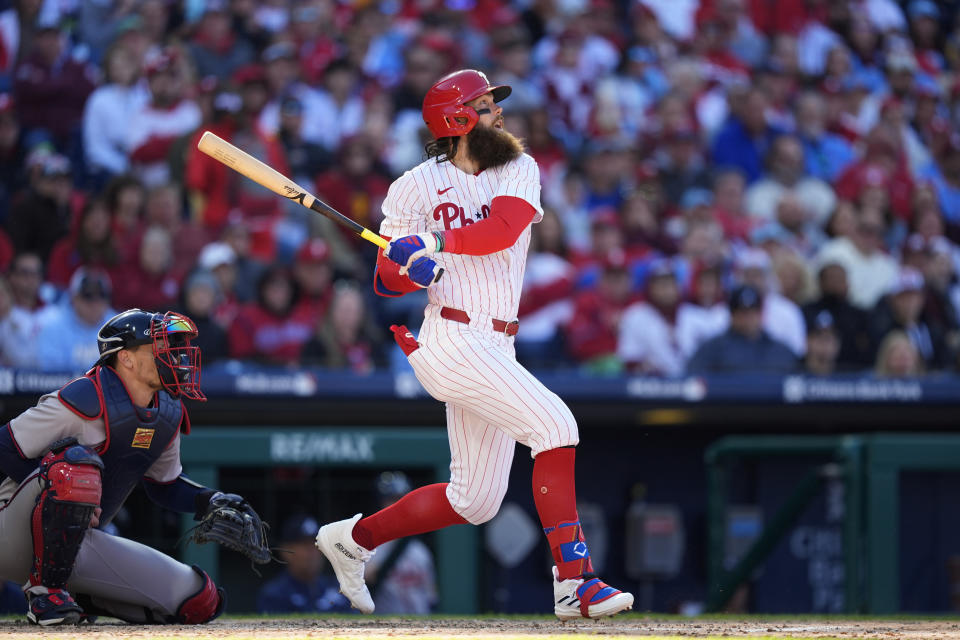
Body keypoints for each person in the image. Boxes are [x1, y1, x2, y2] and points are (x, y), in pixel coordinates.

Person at [314, 69, 634, 621]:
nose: (498, 113)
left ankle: (353, 540)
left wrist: (434, 241)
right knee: (556, 426)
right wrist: (404, 264)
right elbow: (385, 281)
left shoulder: (519, 166)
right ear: (457, 120)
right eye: (485, 106)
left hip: (498, 342)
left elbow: (502, 231)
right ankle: (574, 583)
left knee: (476, 501)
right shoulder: (412, 186)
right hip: (451, 338)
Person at [0, 308, 266, 625]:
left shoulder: (166, 410)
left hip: (75, 545)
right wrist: (57, 491)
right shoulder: (84, 398)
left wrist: (208, 500)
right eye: (161, 345)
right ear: (126, 358)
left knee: (198, 600)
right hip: (12, 530)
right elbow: (4, 445)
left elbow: (163, 484)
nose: (174, 354)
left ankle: (80, 598)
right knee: (76, 469)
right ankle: (45, 596)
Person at [363, 472, 438, 614]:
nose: (396, 506)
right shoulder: (366, 548)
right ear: (380, 504)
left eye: (401, 500)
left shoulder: (420, 552)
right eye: (391, 500)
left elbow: (431, 599)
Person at [686, 284, 798, 374]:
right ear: (732, 316)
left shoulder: (780, 350)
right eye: (743, 313)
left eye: (753, 312)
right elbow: (693, 382)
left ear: (761, 314)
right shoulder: (712, 350)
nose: (748, 318)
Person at [256, 514, 352, 614]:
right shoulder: (275, 594)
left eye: (317, 544)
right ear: (286, 551)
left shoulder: (339, 588)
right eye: (304, 544)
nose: (312, 551)